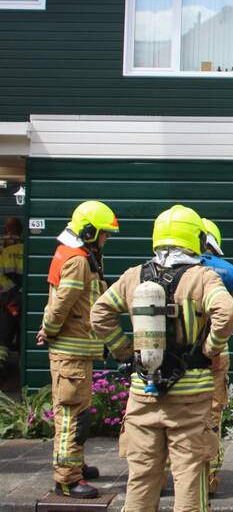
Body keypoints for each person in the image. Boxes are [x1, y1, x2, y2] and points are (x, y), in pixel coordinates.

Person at [91, 204, 233, 511]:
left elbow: (99, 314)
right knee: (188, 475)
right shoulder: (202, 278)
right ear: (195, 238)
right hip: (190, 396)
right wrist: (210, 348)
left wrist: (124, 352)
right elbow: (227, 312)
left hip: (143, 393)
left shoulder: (133, 276)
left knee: (141, 477)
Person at [38, 201, 118, 499]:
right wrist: (48, 328)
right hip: (70, 353)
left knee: (79, 412)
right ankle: (67, 480)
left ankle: (77, 465)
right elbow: (62, 303)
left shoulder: (81, 256)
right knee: (72, 415)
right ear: (89, 231)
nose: (105, 240)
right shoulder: (78, 261)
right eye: (104, 234)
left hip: (77, 352)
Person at [199, 217, 233, 496]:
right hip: (215, 356)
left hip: (174, 359)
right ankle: (210, 478)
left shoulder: (164, 271)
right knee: (212, 416)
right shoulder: (228, 273)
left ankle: (172, 475)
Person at [0, 216, 24, 371]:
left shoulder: (5, 250)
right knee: (22, 330)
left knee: (5, 332)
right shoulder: (26, 249)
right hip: (22, 296)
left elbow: (5, 274)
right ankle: (23, 365)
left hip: (6, 296)